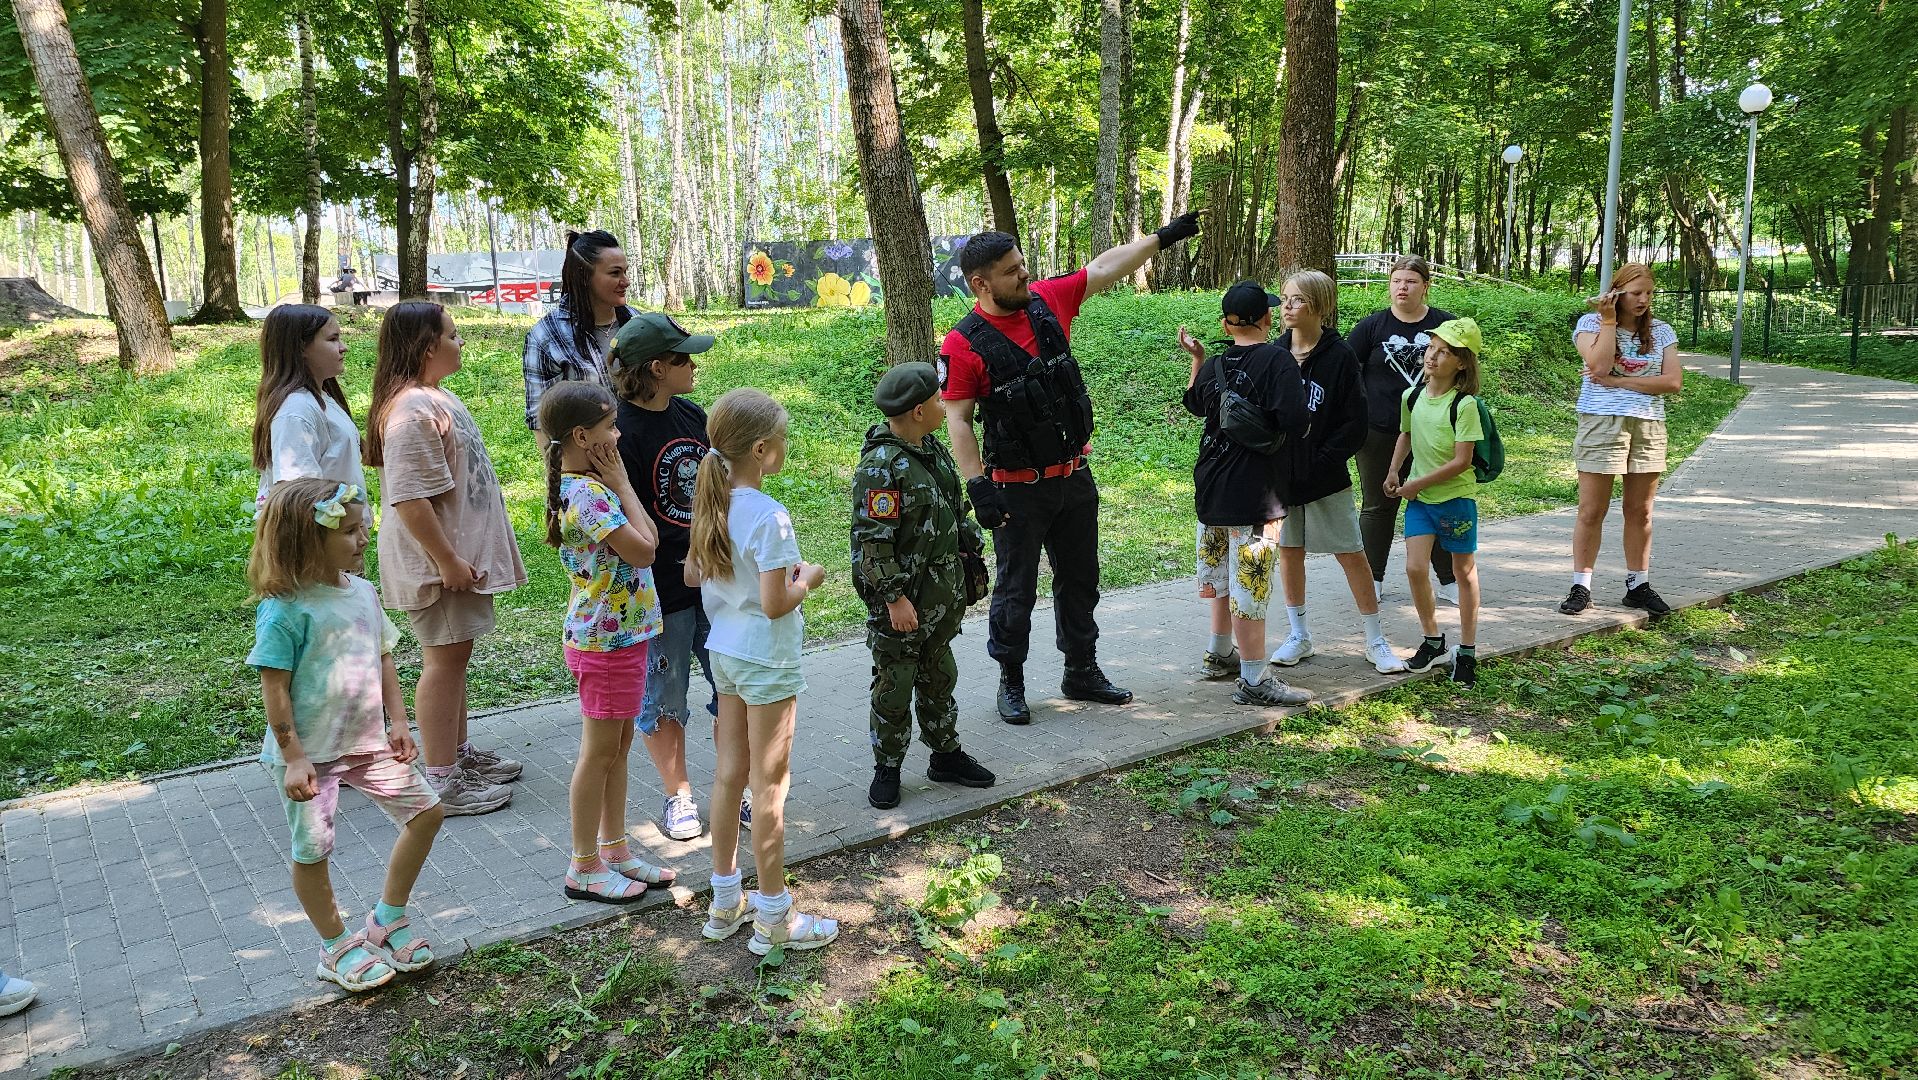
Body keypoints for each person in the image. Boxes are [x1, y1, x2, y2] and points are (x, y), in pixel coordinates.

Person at [941, 211, 1204, 724]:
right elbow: (958, 418)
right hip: (1016, 490)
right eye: (1012, 270)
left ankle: (1080, 670)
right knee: (1016, 588)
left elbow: (1105, 267)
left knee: (1081, 579)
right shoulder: (963, 343)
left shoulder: (1048, 302)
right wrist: (978, 486)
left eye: (1022, 265)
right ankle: (1011, 681)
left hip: (1073, 478)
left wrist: (1162, 237)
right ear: (981, 283)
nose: (1024, 274)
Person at [247, 479, 446, 992]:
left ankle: (385, 919)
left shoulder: (362, 592)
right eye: (351, 531)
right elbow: (275, 688)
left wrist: (399, 722)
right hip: (309, 756)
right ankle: (334, 945)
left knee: (427, 812)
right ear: (308, 539)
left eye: (365, 528)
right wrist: (292, 756)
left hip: (367, 745)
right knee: (313, 849)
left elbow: (383, 659)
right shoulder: (286, 607)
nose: (364, 539)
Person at [687, 388, 838, 956]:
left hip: (723, 651)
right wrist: (811, 578)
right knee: (769, 786)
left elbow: (694, 574)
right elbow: (777, 604)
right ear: (761, 449)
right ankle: (775, 915)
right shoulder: (770, 516)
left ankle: (725, 900)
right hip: (766, 658)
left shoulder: (712, 501)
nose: (785, 448)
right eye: (782, 441)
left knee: (729, 775)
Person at [365, 302, 528, 814]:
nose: (461, 344)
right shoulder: (412, 410)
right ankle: (440, 780)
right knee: (443, 660)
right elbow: (410, 499)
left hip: (456, 561)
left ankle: (456, 756)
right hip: (439, 566)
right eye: (453, 335)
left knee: (457, 656)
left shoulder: (434, 398)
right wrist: (448, 561)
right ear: (427, 346)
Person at [537, 383, 679, 903]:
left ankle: (614, 849)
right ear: (582, 435)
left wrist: (618, 479)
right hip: (605, 641)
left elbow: (648, 543)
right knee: (598, 752)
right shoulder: (592, 496)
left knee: (617, 748)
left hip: (618, 636)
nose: (618, 434)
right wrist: (620, 480)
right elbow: (646, 549)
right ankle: (583, 865)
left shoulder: (589, 488)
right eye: (611, 426)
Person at [609, 312, 747, 842]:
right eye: (684, 357)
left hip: (715, 586)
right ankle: (680, 795)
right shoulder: (620, 434)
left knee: (732, 685)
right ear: (656, 368)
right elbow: (627, 515)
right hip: (661, 591)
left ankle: (736, 788)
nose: (693, 364)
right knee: (665, 695)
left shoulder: (693, 417)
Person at [852, 362, 998, 809]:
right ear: (918, 410)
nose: (944, 403)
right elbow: (873, 543)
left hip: (939, 600)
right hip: (903, 604)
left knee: (939, 678)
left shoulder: (929, 449)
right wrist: (893, 598)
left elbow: (953, 510)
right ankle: (888, 767)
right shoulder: (881, 468)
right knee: (894, 685)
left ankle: (945, 755)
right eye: (938, 399)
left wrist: (971, 554)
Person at [1176, 282, 1314, 707]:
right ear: (1268, 319)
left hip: (1211, 488)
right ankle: (1255, 680)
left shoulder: (1217, 363)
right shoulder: (1278, 360)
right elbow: (1295, 419)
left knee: (1218, 578)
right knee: (1249, 587)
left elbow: (1196, 405)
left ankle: (1220, 654)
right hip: (1257, 494)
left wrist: (1198, 360)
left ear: (1225, 323)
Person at [1266, 270, 1409, 677]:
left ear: (1319, 306)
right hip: (1282, 479)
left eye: (1296, 300)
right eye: (1285, 299)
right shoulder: (1275, 354)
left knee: (1351, 553)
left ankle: (1375, 640)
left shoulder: (1340, 356)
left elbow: (1354, 424)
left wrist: (1322, 458)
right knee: (1289, 552)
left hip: (1326, 477)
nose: (1287, 307)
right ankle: (1299, 634)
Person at [1561, 263, 1682, 618]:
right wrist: (1610, 320)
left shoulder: (1661, 332)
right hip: (1601, 423)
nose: (1643, 300)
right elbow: (1598, 367)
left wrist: (1617, 382)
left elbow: (1672, 383)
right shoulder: (1591, 324)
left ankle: (1638, 585)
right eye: (1635, 293)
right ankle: (1581, 586)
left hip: (1648, 425)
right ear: (1617, 293)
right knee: (1591, 510)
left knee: (1640, 511)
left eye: (1649, 293)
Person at [1347, 255, 1459, 602]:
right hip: (1379, 430)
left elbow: (1465, 372)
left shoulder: (1446, 325)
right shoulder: (1371, 328)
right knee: (1379, 504)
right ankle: (1372, 580)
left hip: (1435, 430)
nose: (1402, 288)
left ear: (1426, 286)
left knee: (1437, 502)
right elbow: (1348, 376)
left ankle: (1449, 580)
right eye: (1397, 281)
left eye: (1411, 281)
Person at [1385, 319, 1487, 685]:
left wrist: (1415, 483)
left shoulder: (1465, 405)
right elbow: (1406, 435)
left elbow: (1462, 461)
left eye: (1445, 352)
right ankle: (1433, 640)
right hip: (1421, 501)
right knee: (1415, 569)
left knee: (1463, 573)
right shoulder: (1411, 396)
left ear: (1461, 363)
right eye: (1432, 348)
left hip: (1455, 500)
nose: (1434, 356)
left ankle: (1469, 651)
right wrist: (1395, 471)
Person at [523, 230, 634, 439]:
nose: (626, 281)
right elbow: (542, 421)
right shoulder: (545, 337)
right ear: (584, 276)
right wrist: (560, 471)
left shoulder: (638, 323)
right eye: (615, 273)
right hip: (589, 463)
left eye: (625, 272)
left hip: (647, 457)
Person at [253, 304, 363, 508]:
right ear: (301, 347)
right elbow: (300, 497)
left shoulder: (319, 397)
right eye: (332, 339)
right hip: (323, 537)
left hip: (340, 533)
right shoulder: (296, 411)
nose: (343, 347)